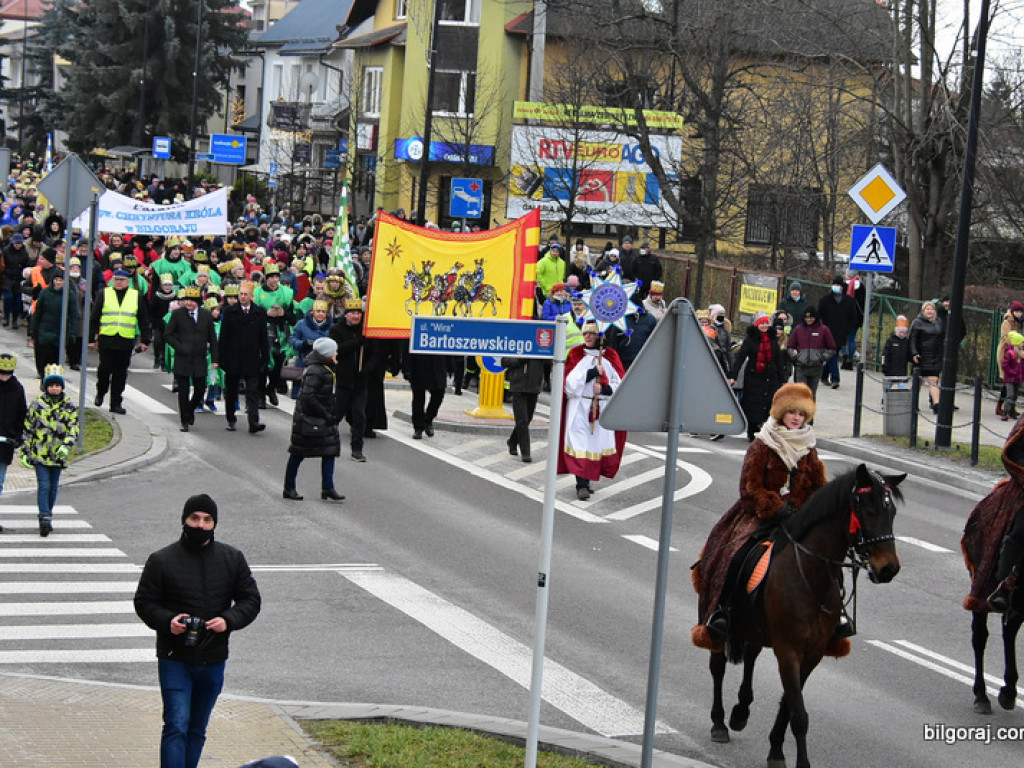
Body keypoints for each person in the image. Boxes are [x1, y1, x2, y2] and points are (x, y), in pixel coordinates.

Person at [693, 383, 827, 650]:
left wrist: (805, 508)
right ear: (781, 412)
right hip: (760, 514)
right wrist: (776, 507)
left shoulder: (809, 448)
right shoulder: (762, 444)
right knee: (736, 557)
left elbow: (817, 486)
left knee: (825, 557)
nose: (796, 418)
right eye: (792, 412)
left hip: (797, 516)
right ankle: (720, 614)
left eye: (801, 413)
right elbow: (749, 487)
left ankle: (834, 621)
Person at [134, 493, 262, 768]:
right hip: (174, 657)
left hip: (213, 657)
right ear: (184, 520)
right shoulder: (161, 560)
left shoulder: (232, 558)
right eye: (195, 518)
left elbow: (250, 600)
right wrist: (169, 621)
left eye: (207, 519)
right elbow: (144, 602)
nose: (200, 525)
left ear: (215, 523)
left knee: (196, 728)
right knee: (176, 724)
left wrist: (228, 620)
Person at [557, 321, 627, 501]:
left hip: (601, 409)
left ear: (600, 336)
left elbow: (620, 383)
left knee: (595, 446)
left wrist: (604, 390)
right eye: (586, 333)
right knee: (581, 445)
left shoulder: (610, 356)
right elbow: (569, 386)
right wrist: (590, 373)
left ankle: (586, 481)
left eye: (592, 333)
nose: (587, 336)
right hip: (580, 408)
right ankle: (581, 485)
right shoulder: (576, 354)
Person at [282, 337, 345, 501]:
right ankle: (288, 488)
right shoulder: (315, 371)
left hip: (323, 418)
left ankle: (328, 487)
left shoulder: (326, 368)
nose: (337, 353)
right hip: (309, 419)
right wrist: (325, 413)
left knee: (329, 451)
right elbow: (308, 396)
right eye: (334, 351)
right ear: (327, 354)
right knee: (297, 453)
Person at [21, 364, 79, 537]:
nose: (55, 388)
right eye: (51, 385)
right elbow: (28, 428)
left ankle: (49, 514)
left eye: (58, 385)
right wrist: (25, 450)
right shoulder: (37, 404)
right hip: (40, 452)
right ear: (46, 387)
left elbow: (73, 428)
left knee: (53, 488)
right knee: (44, 486)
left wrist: (66, 445)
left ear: (62, 387)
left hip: (59, 454)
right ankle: (44, 517)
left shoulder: (69, 405)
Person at [89, 268, 152, 415]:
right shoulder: (104, 293)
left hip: (125, 339)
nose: (118, 282)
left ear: (127, 282)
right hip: (107, 338)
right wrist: (91, 338)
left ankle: (116, 403)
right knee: (104, 369)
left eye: (122, 280)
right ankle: (101, 391)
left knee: (120, 373)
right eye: (116, 279)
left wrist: (145, 340)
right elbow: (94, 316)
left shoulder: (135, 296)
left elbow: (143, 319)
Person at [164, 286, 219, 433]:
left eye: (192, 301)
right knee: (183, 391)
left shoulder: (206, 315)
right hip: (183, 358)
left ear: (198, 302)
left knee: (201, 389)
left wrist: (215, 358)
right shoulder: (177, 314)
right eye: (187, 300)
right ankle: (184, 420)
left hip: (200, 358)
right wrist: (179, 347)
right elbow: (168, 334)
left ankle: (189, 410)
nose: (189, 303)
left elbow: (212, 338)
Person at [218, 282, 269, 434]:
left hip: (252, 358)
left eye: (246, 294)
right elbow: (224, 336)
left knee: (252, 391)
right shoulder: (229, 311)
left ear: (252, 296)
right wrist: (221, 359)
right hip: (233, 358)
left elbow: (263, 338)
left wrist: (265, 358)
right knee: (232, 391)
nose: (243, 297)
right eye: (241, 294)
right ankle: (231, 419)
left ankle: (254, 422)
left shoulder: (259, 312)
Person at [730, 313, 785, 441]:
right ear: (757, 324)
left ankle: (764, 428)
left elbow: (778, 360)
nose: (765, 326)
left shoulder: (772, 340)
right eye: (762, 323)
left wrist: (782, 379)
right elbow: (740, 357)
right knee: (752, 403)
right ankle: (751, 428)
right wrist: (733, 375)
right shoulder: (750, 340)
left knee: (767, 402)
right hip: (754, 375)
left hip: (769, 376)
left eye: (766, 323)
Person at [330, 299, 370, 462]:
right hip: (343, 380)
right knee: (336, 415)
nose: (356, 316)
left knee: (359, 416)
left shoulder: (366, 331)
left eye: (359, 313)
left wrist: (367, 370)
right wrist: (356, 342)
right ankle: (329, 443)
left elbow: (374, 353)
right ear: (346, 315)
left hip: (360, 381)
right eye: (353, 313)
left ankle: (357, 449)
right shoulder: (336, 329)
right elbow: (336, 349)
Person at [29, 268, 79, 380]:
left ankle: (52, 380)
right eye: (56, 279)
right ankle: (43, 376)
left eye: (61, 280)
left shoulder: (69, 295)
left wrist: (72, 332)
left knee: (55, 360)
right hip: (44, 330)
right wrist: (33, 329)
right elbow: (38, 312)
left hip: (60, 332)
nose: (58, 282)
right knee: (43, 356)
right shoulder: (45, 293)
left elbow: (73, 315)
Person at [816, 276, 860, 389]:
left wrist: (848, 330)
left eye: (838, 285)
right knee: (833, 355)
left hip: (841, 333)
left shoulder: (849, 301)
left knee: (832, 356)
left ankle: (824, 375)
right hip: (827, 333)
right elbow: (818, 316)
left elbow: (853, 317)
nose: (836, 287)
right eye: (834, 285)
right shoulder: (825, 300)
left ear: (842, 287)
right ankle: (835, 379)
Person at [501, 352, 544, 463]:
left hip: (534, 387)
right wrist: (520, 358)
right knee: (522, 420)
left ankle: (512, 441)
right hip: (518, 387)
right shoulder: (518, 341)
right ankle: (526, 452)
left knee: (527, 419)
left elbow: (549, 362)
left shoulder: (540, 345)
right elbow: (504, 361)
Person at [0, 353, 27, 530]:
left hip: (5, 443)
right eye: (1, 373)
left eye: (7, 373)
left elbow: (21, 414)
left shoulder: (17, 389)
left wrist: (18, 436)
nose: (4, 377)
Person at [786, 306, 835, 398]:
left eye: (811, 317)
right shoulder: (798, 329)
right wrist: (795, 356)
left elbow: (832, 348)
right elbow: (790, 347)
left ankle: (810, 412)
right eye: (807, 318)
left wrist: (821, 357)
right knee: (801, 394)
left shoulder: (824, 330)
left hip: (816, 368)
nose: (809, 320)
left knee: (811, 395)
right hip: (801, 367)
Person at [909, 300, 945, 413]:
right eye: (927, 309)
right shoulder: (917, 323)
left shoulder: (939, 322)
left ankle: (937, 405)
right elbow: (912, 340)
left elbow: (943, 339)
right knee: (918, 382)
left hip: (935, 357)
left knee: (934, 381)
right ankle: (913, 404)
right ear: (923, 310)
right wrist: (914, 353)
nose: (930, 311)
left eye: (932, 309)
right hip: (921, 356)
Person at [403, 351, 447, 440]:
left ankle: (428, 420)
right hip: (418, 364)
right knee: (418, 397)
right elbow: (407, 344)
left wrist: (451, 365)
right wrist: (406, 368)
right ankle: (418, 428)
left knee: (439, 394)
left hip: (438, 364)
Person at [997, 301, 1024, 417]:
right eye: (1017, 311)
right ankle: (1001, 406)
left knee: (1013, 381)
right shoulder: (1007, 322)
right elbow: (1007, 338)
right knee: (1007, 381)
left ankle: (1010, 406)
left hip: (1017, 352)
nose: (1019, 314)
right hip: (1006, 352)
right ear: (1013, 312)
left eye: (1021, 312)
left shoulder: (1019, 322)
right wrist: (1018, 343)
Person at [1001, 331, 1024, 422]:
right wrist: (1012, 372)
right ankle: (1005, 412)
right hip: (1010, 378)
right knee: (1010, 395)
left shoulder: (1021, 354)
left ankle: (1011, 412)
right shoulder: (1010, 353)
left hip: (1018, 378)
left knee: (1014, 396)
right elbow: (1005, 365)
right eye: (1021, 343)